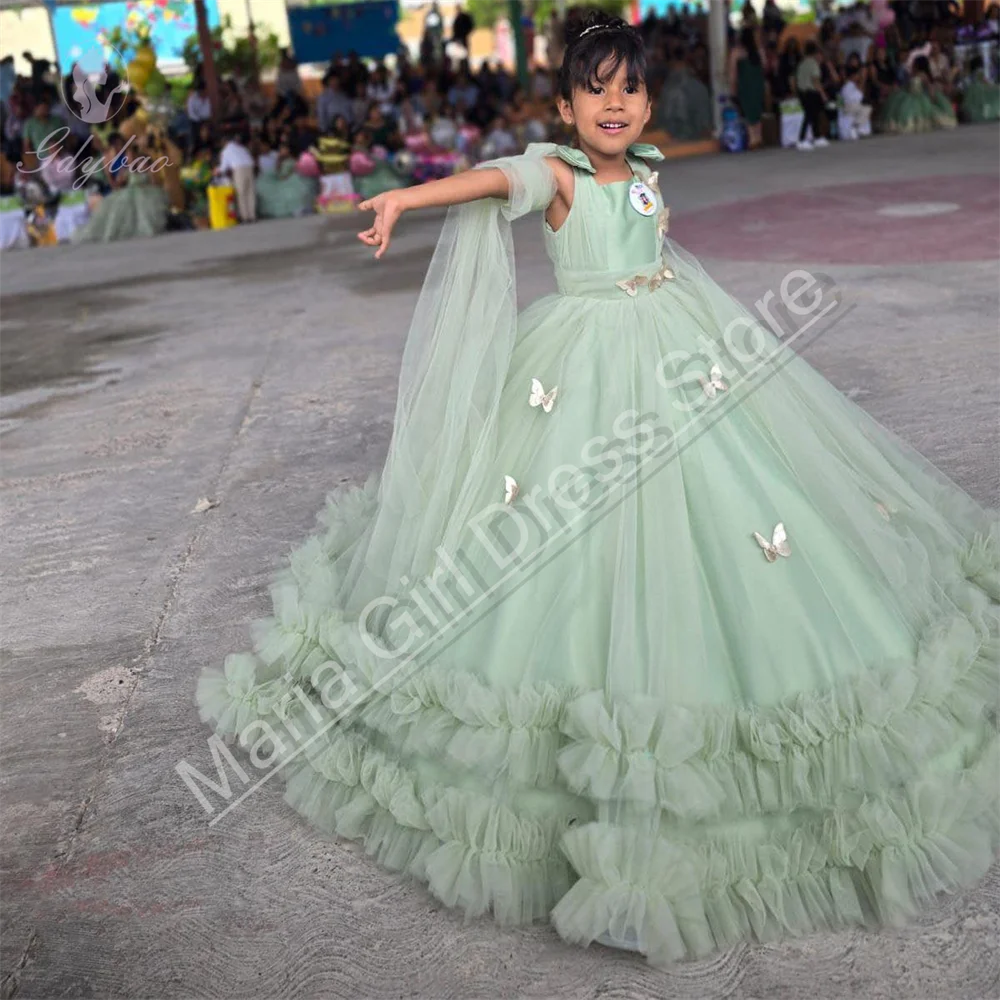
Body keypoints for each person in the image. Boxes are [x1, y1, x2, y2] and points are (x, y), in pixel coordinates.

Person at [196, 13, 999, 969]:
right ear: (567, 107)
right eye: (595, 90)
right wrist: (408, 195)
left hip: (681, 350)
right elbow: (495, 180)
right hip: (578, 375)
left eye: (630, 89)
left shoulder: (648, 174)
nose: (614, 104)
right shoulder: (561, 176)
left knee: (745, 503)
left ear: (648, 103)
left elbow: (651, 254)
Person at [729, 26, 766, 148]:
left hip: (745, 85)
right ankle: (758, 137)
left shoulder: (737, 52)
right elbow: (764, 67)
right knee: (756, 109)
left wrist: (732, 88)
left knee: (748, 110)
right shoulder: (759, 51)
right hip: (757, 84)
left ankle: (753, 138)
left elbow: (733, 72)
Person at [795, 40, 830, 149]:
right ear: (815, 53)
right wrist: (823, 94)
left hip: (802, 92)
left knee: (813, 115)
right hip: (811, 92)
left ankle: (817, 136)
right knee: (809, 116)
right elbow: (815, 81)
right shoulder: (813, 64)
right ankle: (801, 139)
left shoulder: (802, 63)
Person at [218, 125, 257, 223]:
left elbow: (223, 168)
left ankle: (245, 217)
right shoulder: (240, 147)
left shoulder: (226, 150)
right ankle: (252, 215)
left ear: (224, 142)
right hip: (249, 167)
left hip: (239, 169)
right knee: (250, 192)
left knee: (241, 193)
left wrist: (216, 171)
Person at [840, 64, 873, 137]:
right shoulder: (849, 85)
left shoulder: (851, 85)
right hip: (848, 107)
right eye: (857, 75)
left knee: (865, 108)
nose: (858, 77)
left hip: (851, 106)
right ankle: (856, 126)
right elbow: (859, 98)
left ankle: (858, 128)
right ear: (853, 76)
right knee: (867, 108)